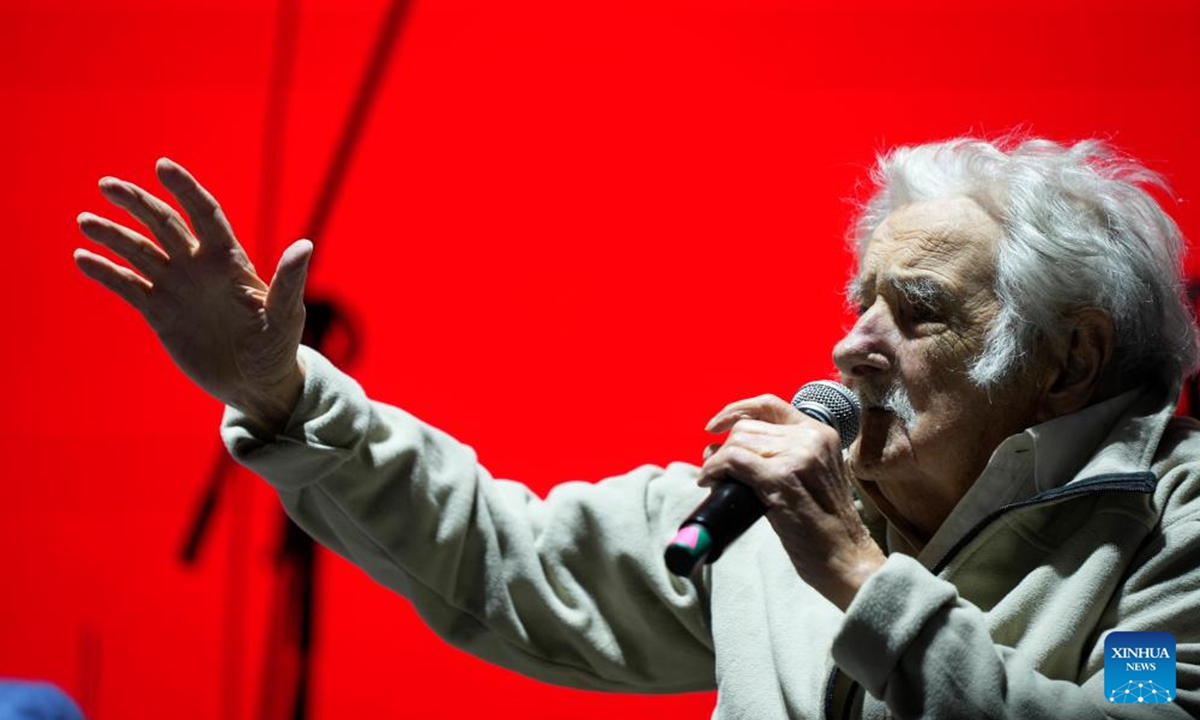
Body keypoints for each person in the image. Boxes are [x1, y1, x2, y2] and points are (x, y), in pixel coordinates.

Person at [73, 137, 1200, 719]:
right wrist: (285, 397)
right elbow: (502, 554)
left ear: (1069, 360)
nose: (855, 346)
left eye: (918, 313)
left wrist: (863, 584)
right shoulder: (773, 517)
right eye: (857, 302)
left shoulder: (1163, 532)